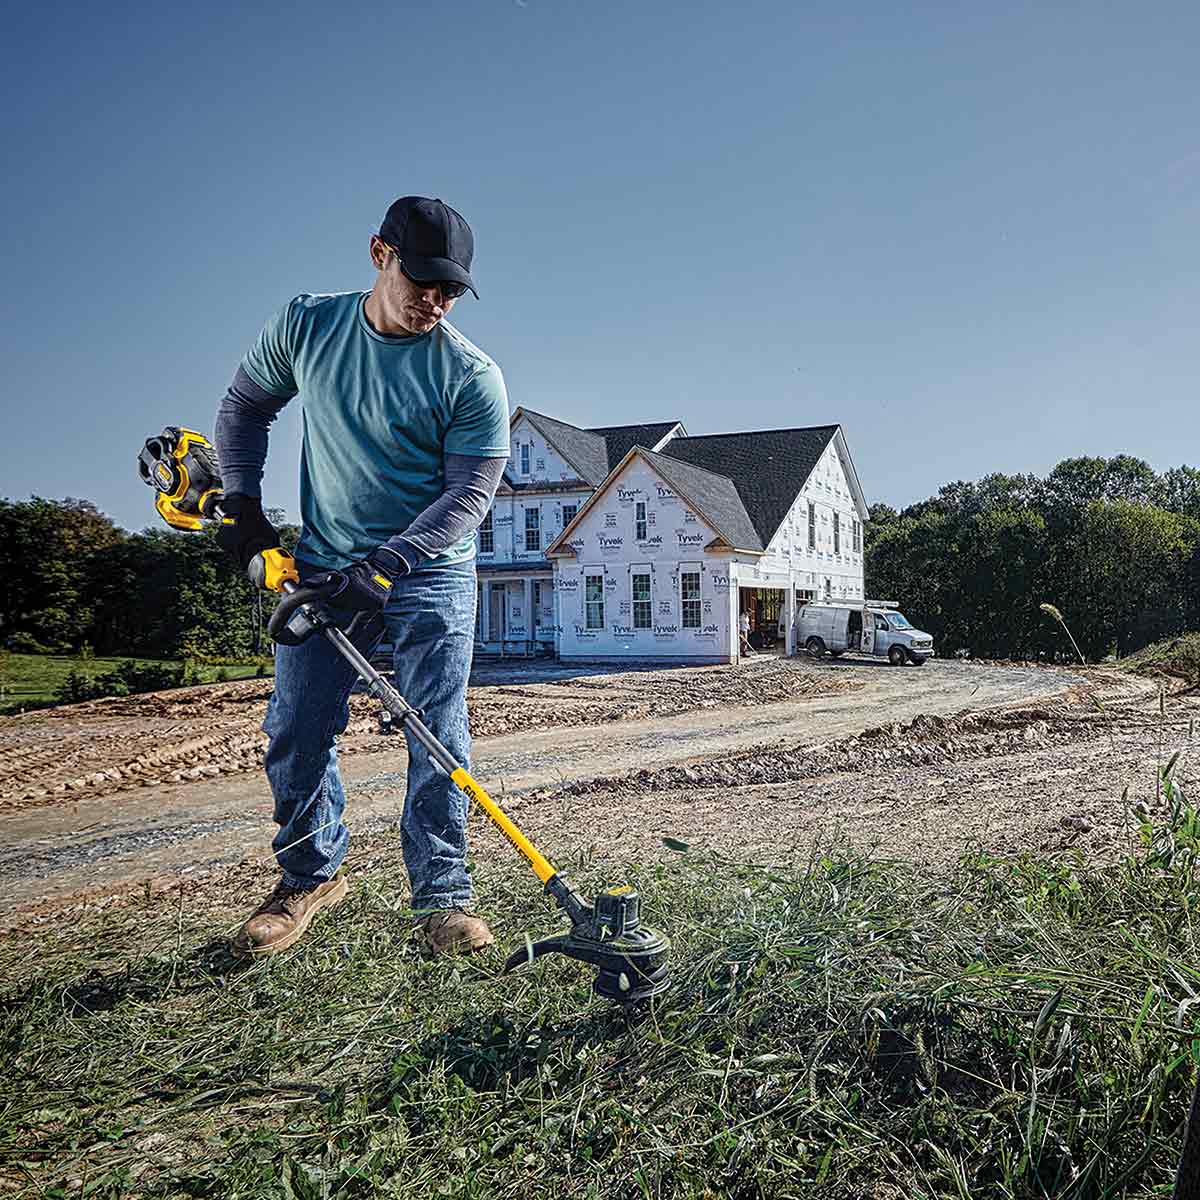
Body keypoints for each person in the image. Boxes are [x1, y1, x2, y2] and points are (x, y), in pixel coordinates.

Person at [213, 196, 509, 959]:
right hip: (321, 561)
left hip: (429, 573)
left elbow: (469, 497)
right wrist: (244, 508)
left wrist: (384, 569)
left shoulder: (471, 376)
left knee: (436, 735)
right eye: (423, 281)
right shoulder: (309, 326)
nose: (435, 302)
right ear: (380, 254)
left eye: (451, 291)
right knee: (297, 726)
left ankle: (443, 901)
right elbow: (246, 407)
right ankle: (310, 877)